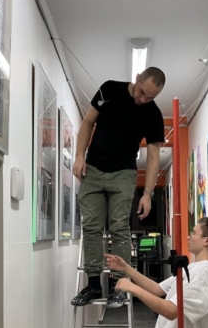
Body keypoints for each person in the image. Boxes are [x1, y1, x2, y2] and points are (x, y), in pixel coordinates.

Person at [71, 67, 166, 308]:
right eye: (142, 92)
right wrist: (79, 156)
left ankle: (120, 285)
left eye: (150, 97)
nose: (143, 99)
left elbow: (153, 157)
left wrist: (148, 193)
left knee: (119, 227)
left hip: (124, 173)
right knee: (91, 226)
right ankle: (93, 285)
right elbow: (88, 122)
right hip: (93, 168)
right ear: (137, 78)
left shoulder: (153, 114)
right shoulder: (110, 89)